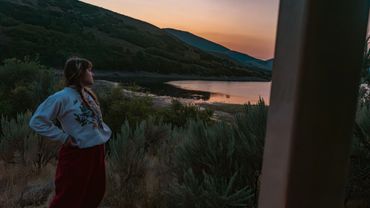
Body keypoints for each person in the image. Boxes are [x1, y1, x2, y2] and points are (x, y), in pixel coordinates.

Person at [29, 57, 112, 208]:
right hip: (78, 154)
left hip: (96, 151)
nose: (92, 73)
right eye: (89, 70)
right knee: (68, 198)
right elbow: (37, 121)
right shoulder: (61, 97)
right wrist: (63, 137)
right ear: (79, 72)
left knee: (94, 194)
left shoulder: (87, 95)